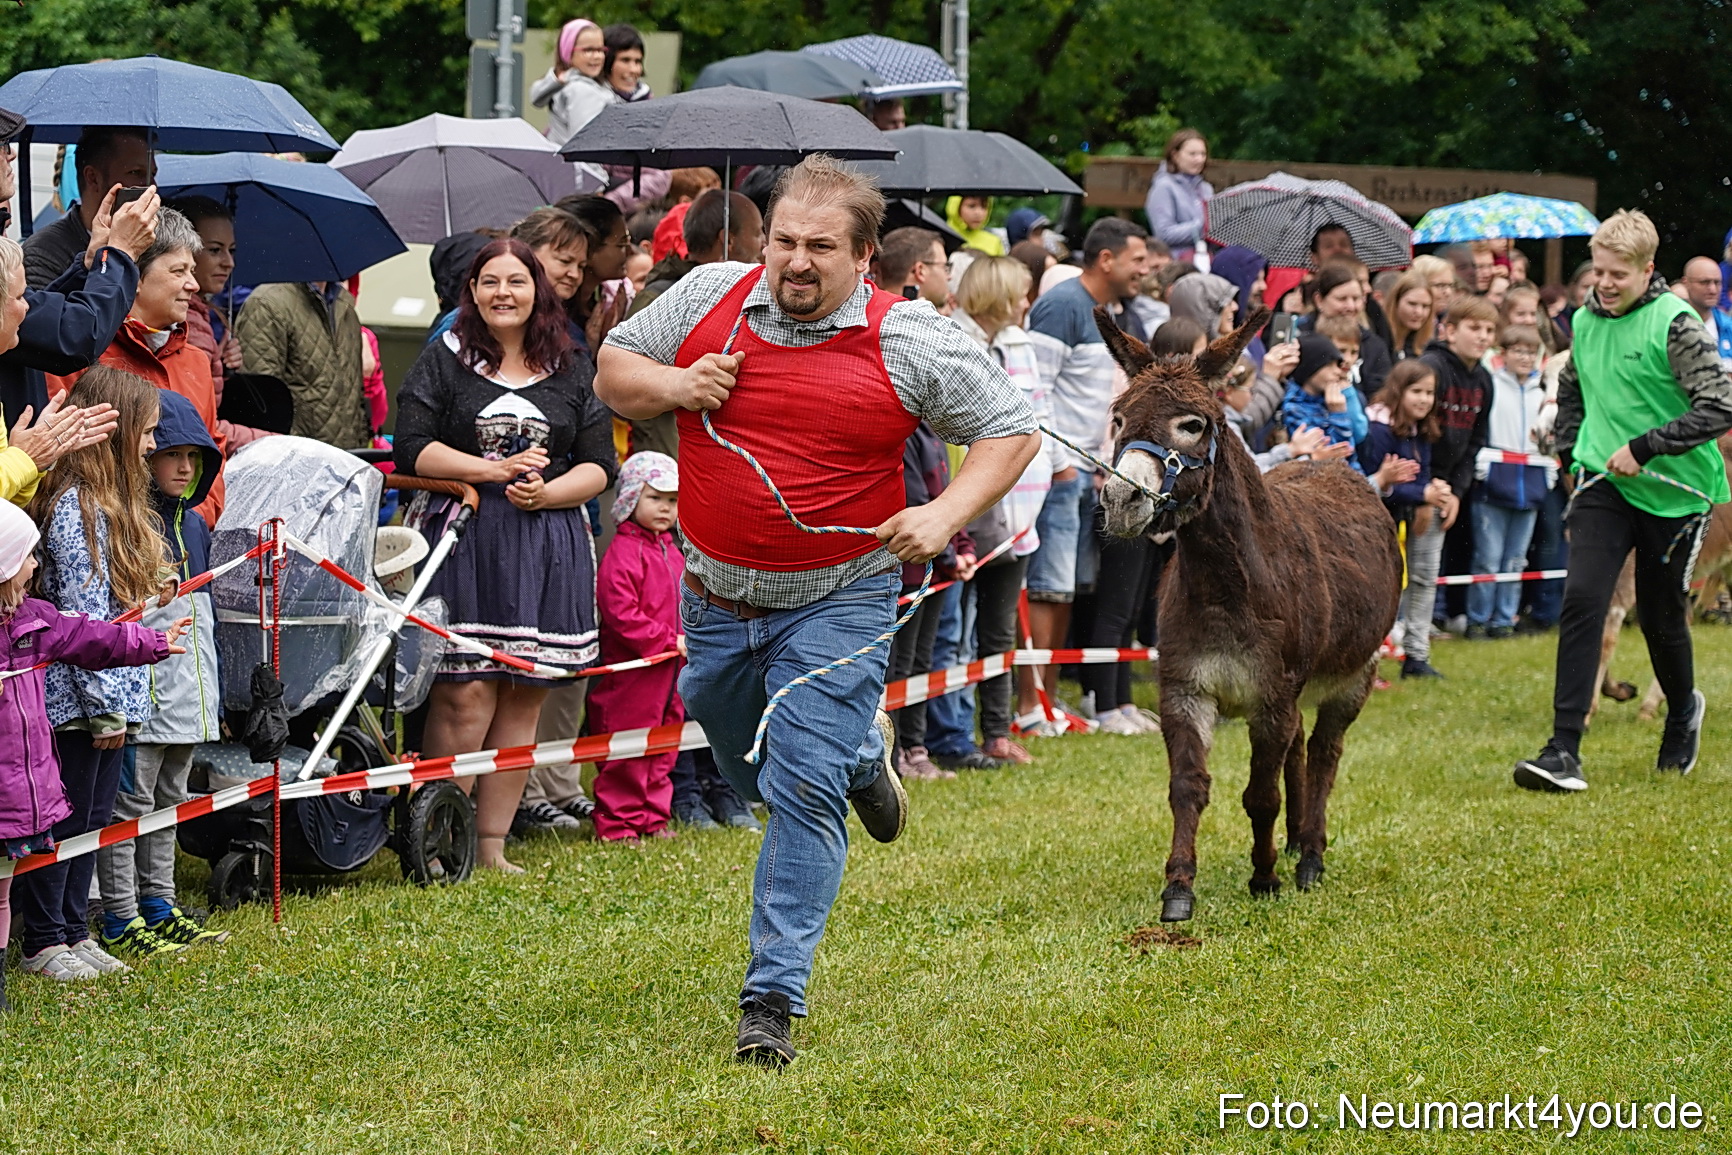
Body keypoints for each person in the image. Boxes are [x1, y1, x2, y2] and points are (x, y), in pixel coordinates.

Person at [595, 155, 1039, 1064]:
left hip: (841, 596)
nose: (795, 262)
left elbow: (1012, 429)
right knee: (743, 756)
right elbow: (612, 369)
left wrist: (945, 510)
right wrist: (677, 388)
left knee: (797, 782)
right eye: (784, 242)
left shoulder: (909, 337)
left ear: (865, 256)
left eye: (819, 248)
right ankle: (860, 758)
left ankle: (772, 998)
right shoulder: (713, 293)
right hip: (716, 596)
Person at [395, 238, 616, 870]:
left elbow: (600, 466)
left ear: (537, 290)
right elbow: (412, 447)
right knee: (464, 694)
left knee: (523, 695)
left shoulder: (573, 364)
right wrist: (492, 473)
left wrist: (547, 492)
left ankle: (489, 846)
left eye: (516, 282)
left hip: (550, 542)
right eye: (489, 282)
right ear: (471, 291)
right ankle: (437, 840)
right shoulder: (446, 357)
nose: (502, 294)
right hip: (466, 537)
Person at [1515, 210, 1732, 794]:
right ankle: (1563, 749)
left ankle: (1683, 711)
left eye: (1618, 275)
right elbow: (1573, 390)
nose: (1604, 285)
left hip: (1676, 492)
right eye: (1599, 274)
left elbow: (1720, 405)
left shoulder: (1676, 324)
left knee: (1662, 618)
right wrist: (1571, 455)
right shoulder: (1586, 321)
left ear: (1648, 270)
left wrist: (1645, 446)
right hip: (1602, 484)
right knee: (1584, 599)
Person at [19, 368, 185, 982]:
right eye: (144, 433)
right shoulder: (77, 509)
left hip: (103, 697)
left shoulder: (106, 507)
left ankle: (72, 929)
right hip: (77, 703)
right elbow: (83, 619)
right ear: (111, 436)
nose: (151, 446)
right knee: (63, 823)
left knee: (91, 821)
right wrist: (108, 706)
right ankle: (42, 940)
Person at [0, 498, 181, 998]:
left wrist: (155, 643)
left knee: (80, 834)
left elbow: (92, 636)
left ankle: (69, 934)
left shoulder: (36, 618)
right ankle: (42, 941)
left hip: (30, 780)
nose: (38, 566)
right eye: (28, 557)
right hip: (15, 778)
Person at [96, 389, 226, 956]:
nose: (183, 466)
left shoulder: (196, 527)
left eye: (195, 457)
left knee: (171, 802)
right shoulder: (127, 521)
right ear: (140, 455)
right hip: (143, 699)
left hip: (188, 702)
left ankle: (160, 905)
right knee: (131, 806)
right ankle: (120, 915)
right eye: (170, 452)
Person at [1022, 217, 1149, 728]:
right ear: (1107, 260)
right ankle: (1031, 707)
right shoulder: (1061, 306)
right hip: (1061, 474)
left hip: (1089, 474)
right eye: (1137, 260)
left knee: (1070, 590)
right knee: (1049, 590)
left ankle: (1052, 702)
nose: (1145, 269)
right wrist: (1060, 468)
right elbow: (1034, 393)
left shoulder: (1110, 312)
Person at [949, 254, 1061, 767]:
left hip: (1020, 517)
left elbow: (1038, 416)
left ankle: (995, 730)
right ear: (996, 295)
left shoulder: (1020, 343)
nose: (1027, 302)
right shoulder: (955, 343)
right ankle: (936, 737)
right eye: (1020, 293)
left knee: (996, 630)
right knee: (950, 632)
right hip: (966, 518)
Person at [66, 208, 229, 526]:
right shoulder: (83, 353)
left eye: (192, 271)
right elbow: (68, 461)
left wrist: (191, 521)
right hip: (109, 543)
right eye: (179, 271)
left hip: (181, 546)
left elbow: (211, 454)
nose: (193, 285)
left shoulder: (196, 361)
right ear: (135, 278)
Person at [0, 124, 149, 438]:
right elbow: (74, 336)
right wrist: (120, 255)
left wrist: (89, 264)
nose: (11, 153)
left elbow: (32, 320)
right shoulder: (41, 250)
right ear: (92, 177)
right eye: (1, 144)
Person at [587, 452, 686, 840]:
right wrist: (666, 641)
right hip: (633, 674)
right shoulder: (623, 554)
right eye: (655, 498)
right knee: (627, 750)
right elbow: (621, 614)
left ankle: (652, 817)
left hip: (672, 670)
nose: (665, 508)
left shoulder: (674, 552)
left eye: (673, 500)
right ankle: (618, 823)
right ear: (629, 498)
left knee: (664, 745)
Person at [887, 420, 976, 780]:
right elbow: (918, 504)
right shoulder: (904, 436)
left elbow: (951, 501)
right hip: (909, 574)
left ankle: (915, 748)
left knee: (921, 663)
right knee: (898, 669)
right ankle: (891, 758)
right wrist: (952, 558)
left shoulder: (936, 434)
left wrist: (964, 547)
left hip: (937, 573)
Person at [1358, 361, 1453, 678]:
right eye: (1416, 392)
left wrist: (1433, 494)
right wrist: (1422, 494)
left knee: (1424, 577)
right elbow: (1377, 485)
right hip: (1370, 521)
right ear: (1399, 391)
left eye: (1430, 393)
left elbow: (1418, 477)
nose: (1424, 400)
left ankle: (1417, 654)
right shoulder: (1378, 429)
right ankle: (1365, 659)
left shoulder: (1421, 429)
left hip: (1404, 515)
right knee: (1374, 589)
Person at [1466, 325, 1552, 639]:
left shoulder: (1544, 391)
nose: (1525, 357)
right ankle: (1478, 618)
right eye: (1518, 350)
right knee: (1487, 558)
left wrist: (1548, 470)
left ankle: (1503, 620)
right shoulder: (1491, 384)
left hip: (1531, 481)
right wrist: (1483, 466)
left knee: (1516, 559)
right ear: (1504, 354)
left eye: (1531, 352)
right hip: (1493, 478)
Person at [235, 275, 367, 449]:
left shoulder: (344, 304)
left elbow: (354, 392)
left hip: (346, 458)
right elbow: (261, 403)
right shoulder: (267, 304)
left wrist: (361, 445)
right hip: (296, 459)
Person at [22, 127, 153, 290]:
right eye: (136, 172)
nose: (151, 187)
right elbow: (53, 314)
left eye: (152, 175)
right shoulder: (43, 253)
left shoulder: (154, 240)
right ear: (93, 178)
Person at [1306, 261, 1393, 397]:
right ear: (1319, 301)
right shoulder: (1302, 337)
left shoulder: (1374, 345)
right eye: (1342, 299)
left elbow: (1381, 395)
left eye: (1356, 298)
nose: (1351, 306)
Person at [530, 18, 614, 145]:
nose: (597, 56)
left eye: (601, 50)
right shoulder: (581, 90)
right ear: (568, 52)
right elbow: (584, 144)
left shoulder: (565, 83)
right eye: (588, 50)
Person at [1143, 128, 1211, 263]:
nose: (1199, 159)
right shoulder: (1163, 187)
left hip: (1205, 259)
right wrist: (1203, 227)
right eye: (1192, 154)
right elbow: (1164, 233)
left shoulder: (1206, 188)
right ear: (1175, 155)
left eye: (1203, 154)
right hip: (1175, 264)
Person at [1678, 256, 1732, 368]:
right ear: (1686, 283)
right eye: (1704, 282)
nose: (1712, 290)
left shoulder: (1729, 326)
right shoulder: (1671, 326)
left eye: (1717, 283)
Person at [877, 226, 949, 309]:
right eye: (945, 267)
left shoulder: (866, 311)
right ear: (920, 271)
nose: (949, 277)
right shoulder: (929, 320)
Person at [1387, 270, 1437, 360]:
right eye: (1412, 304)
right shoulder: (1380, 341)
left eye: (1425, 306)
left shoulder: (1428, 349)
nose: (1419, 312)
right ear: (1396, 302)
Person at [603, 24, 651, 101]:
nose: (634, 70)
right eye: (625, 60)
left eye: (637, 61)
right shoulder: (588, 101)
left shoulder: (645, 98)